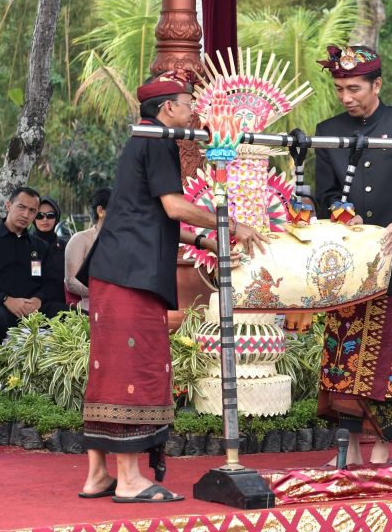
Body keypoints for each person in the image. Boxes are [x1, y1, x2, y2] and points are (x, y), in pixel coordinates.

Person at [78, 69, 267, 503]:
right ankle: (128, 480)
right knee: (129, 369)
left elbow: (149, 216)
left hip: (115, 270)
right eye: (188, 103)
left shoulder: (140, 140)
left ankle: (97, 475)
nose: (193, 111)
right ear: (167, 109)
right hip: (131, 275)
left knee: (107, 369)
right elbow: (173, 205)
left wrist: (206, 240)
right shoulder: (159, 139)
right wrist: (232, 225)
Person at [315, 45, 392, 464]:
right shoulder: (327, 128)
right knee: (344, 352)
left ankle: (386, 445)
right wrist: (338, 215)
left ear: (377, 84)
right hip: (350, 265)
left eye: (354, 88)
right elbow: (324, 196)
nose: (346, 97)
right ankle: (346, 447)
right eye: (339, 88)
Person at [0, 187, 69, 389]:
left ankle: (66, 394)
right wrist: (6, 299)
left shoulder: (39, 247)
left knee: (76, 317)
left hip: (34, 308)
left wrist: (38, 299)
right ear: (8, 206)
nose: (26, 214)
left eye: (32, 211)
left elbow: (51, 282)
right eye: (21, 207)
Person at [64, 187, 111, 309]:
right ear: (101, 211)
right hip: (90, 309)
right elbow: (71, 282)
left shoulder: (127, 241)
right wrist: (104, 294)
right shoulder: (81, 239)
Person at [33, 197, 67, 303]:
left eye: (50, 215)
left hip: (61, 303)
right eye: (39, 215)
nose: (45, 220)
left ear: (56, 218)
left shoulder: (65, 247)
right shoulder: (25, 245)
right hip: (32, 305)